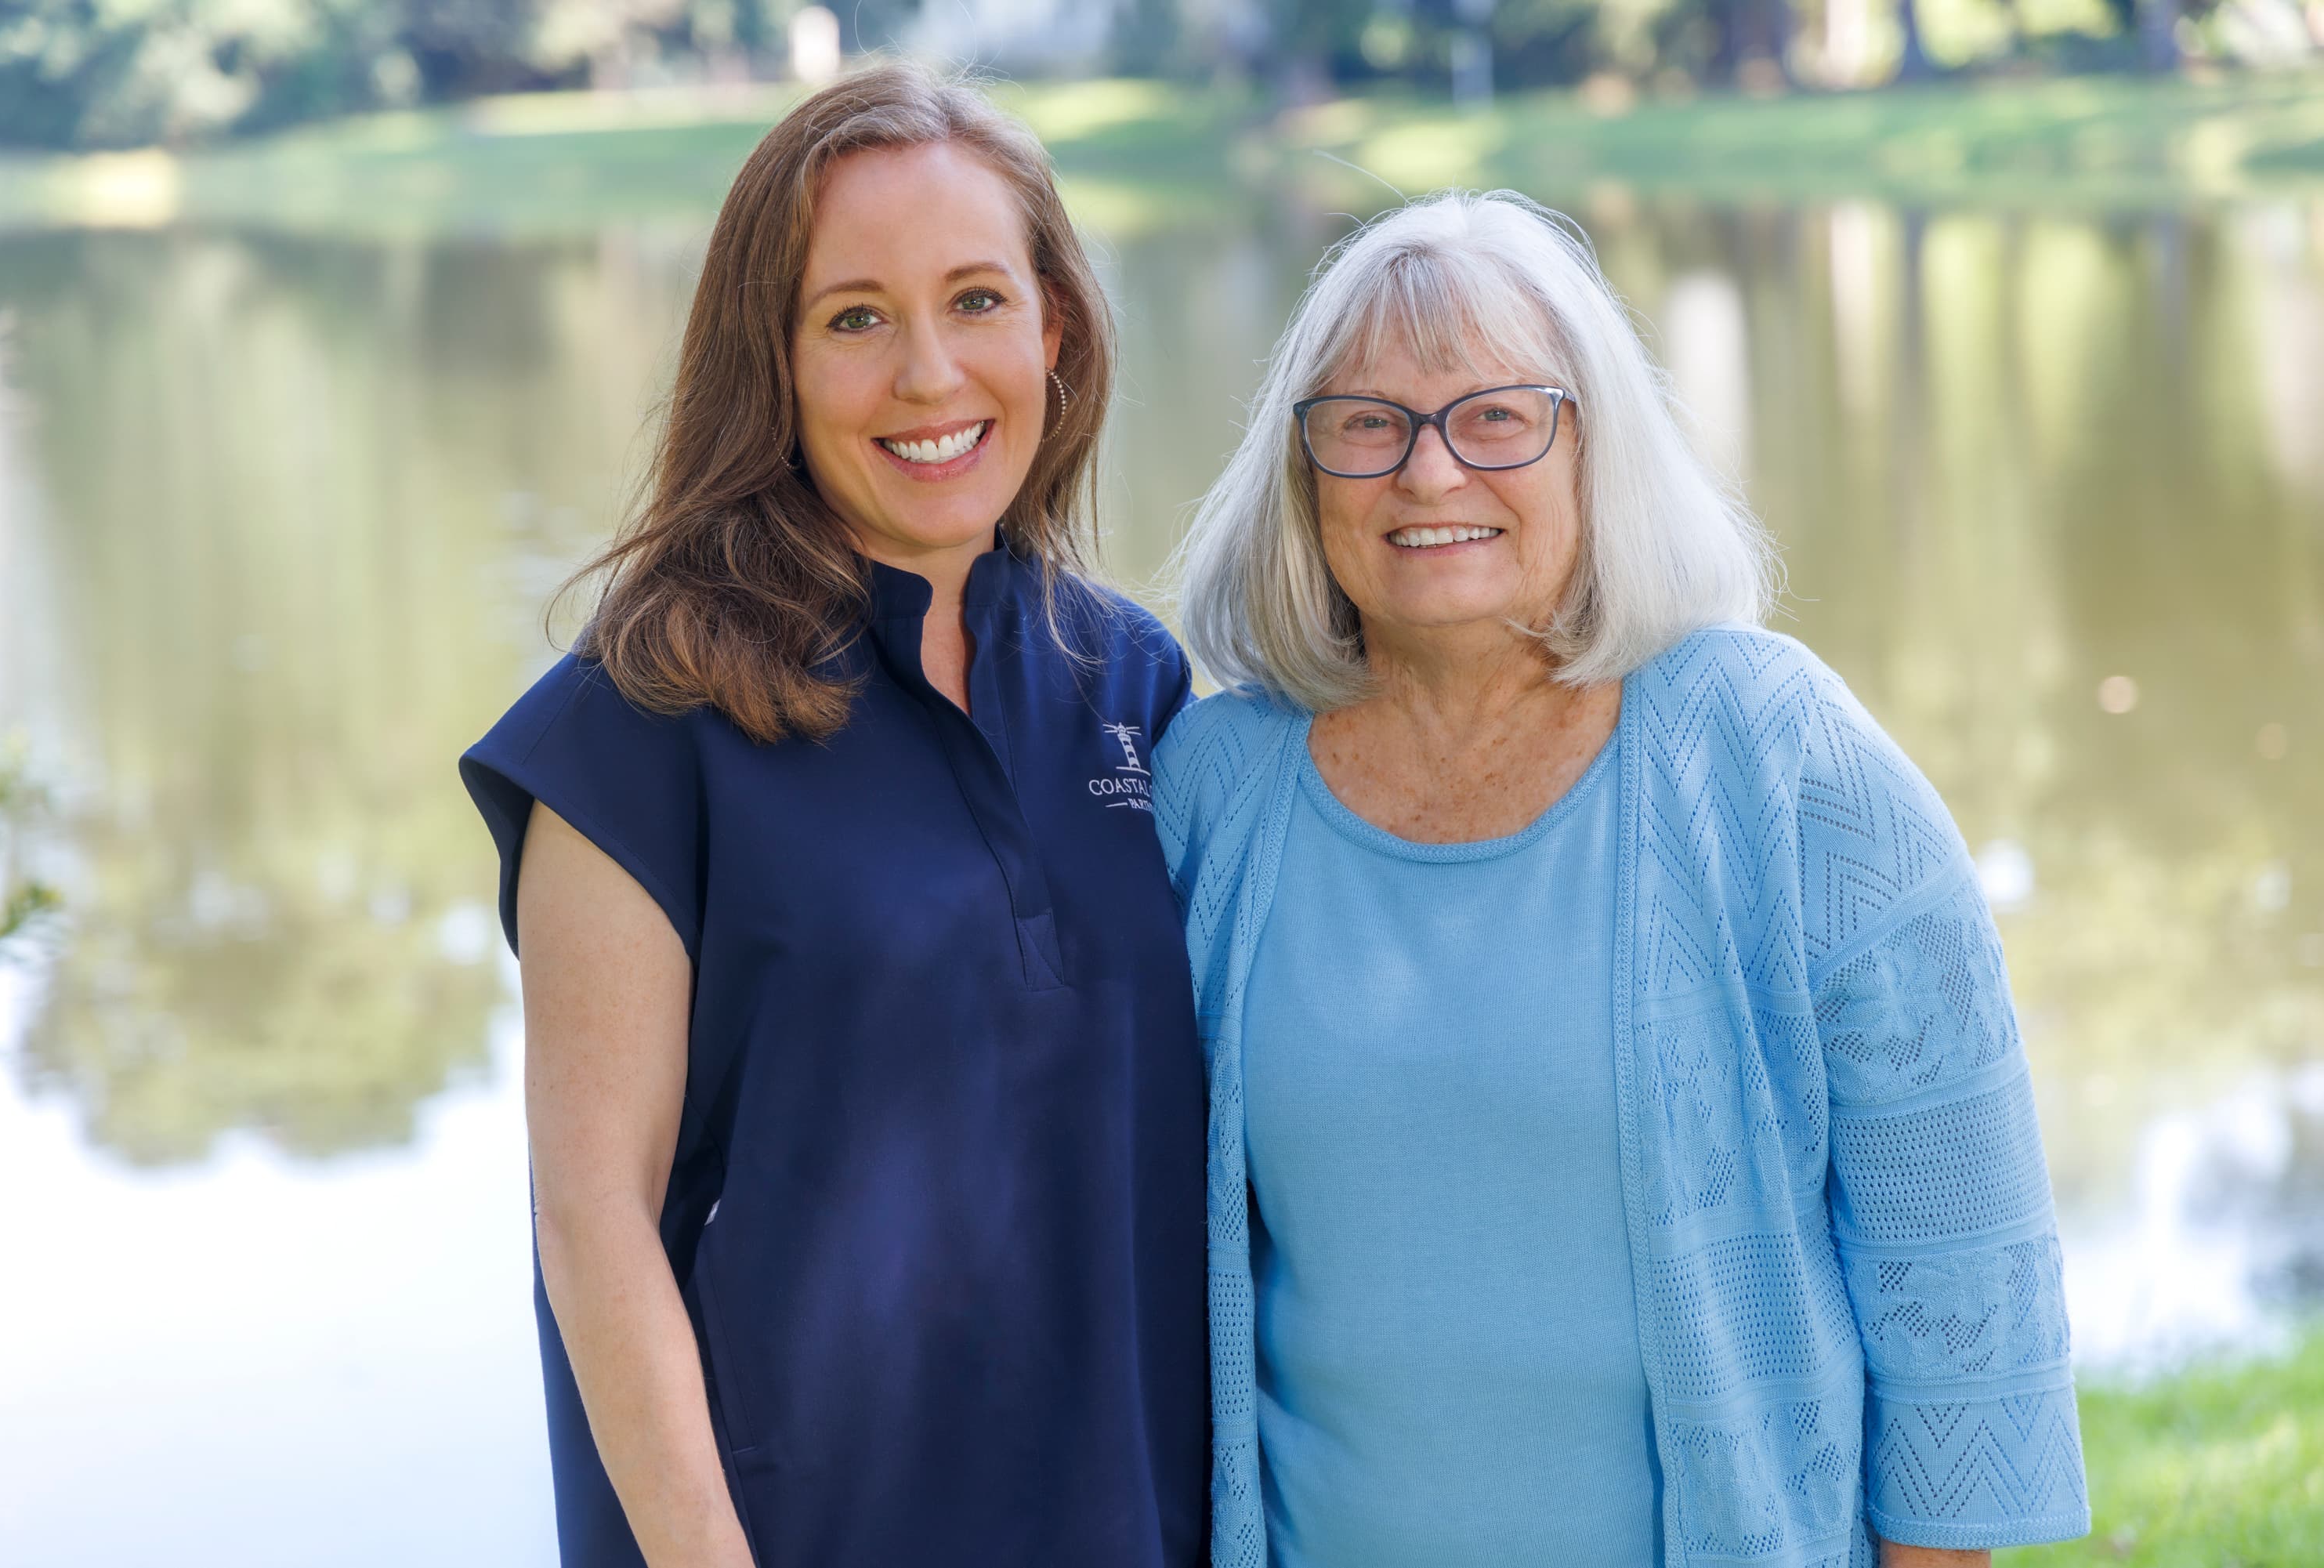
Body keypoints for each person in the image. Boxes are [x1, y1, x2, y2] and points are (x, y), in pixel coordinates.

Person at [1154, 190, 2090, 1568]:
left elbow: (1961, 1266)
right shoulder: (1211, 791)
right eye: (1368, 423)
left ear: (1599, 446)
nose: (1429, 474)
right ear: (1303, 472)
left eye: (1498, 415)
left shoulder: (1780, 759)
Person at [460, 63, 1206, 1568]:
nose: (931, 373)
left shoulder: (1136, 679)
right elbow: (594, 1232)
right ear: (773, 361)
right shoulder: (636, 725)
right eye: (855, 317)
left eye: (978, 299)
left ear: (1055, 329)